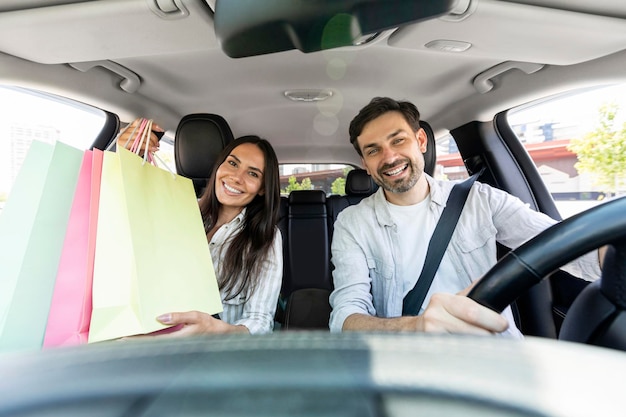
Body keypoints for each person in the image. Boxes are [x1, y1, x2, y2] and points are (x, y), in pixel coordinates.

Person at [329, 97, 603, 337]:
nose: (389, 157)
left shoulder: (480, 199)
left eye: (398, 140)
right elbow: (345, 316)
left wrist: (607, 250)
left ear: (420, 141)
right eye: (373, 150)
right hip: (406, 363)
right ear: (365, 164)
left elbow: (558, 244)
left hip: (494, 356)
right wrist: (417, 326)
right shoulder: (353, 223)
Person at [118, 119, 283, 335]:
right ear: (219, 166)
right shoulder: (177, 208)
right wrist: (120, 155)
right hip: (147, 333)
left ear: (262, 188)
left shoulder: (265, 237)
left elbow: (259, 321)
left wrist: (218, 330)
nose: (236, 177)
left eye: (253, 174)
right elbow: (119, 220)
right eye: (232, 163)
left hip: (215, 352)